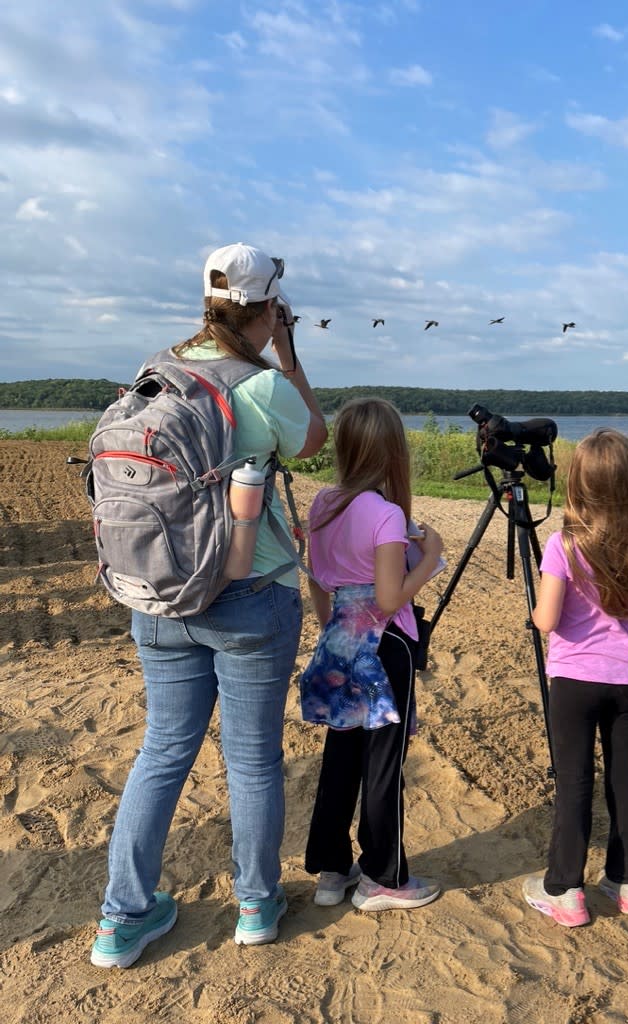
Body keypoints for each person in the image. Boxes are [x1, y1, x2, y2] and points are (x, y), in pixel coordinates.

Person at [90, 242, 328, 968]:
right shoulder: (260, 385)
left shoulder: (156, 372)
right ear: (268, 310)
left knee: (161, 752)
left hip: (158, 594)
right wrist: (288, 356)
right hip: (248, 596)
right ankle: (255, 907)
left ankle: (120, 918)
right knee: (252, 760)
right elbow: (314, 443)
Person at [523, 428, 628, 928]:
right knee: (626, 779)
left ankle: (565, 890)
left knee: (574, 782)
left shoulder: (562, 543)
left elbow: (545, 620)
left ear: (577, 483)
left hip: (574, 680)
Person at [300, 398, 444, 912]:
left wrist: (333, 629)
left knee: (341, 756)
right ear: (392, 452)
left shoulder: (324, 503)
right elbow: (388, 598)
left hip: (340, 638)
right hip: (385, 646)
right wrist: (430, 557)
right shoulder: (384, 514)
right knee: (384, 761)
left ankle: (332, 868)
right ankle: (384, 874)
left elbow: (317, 578)